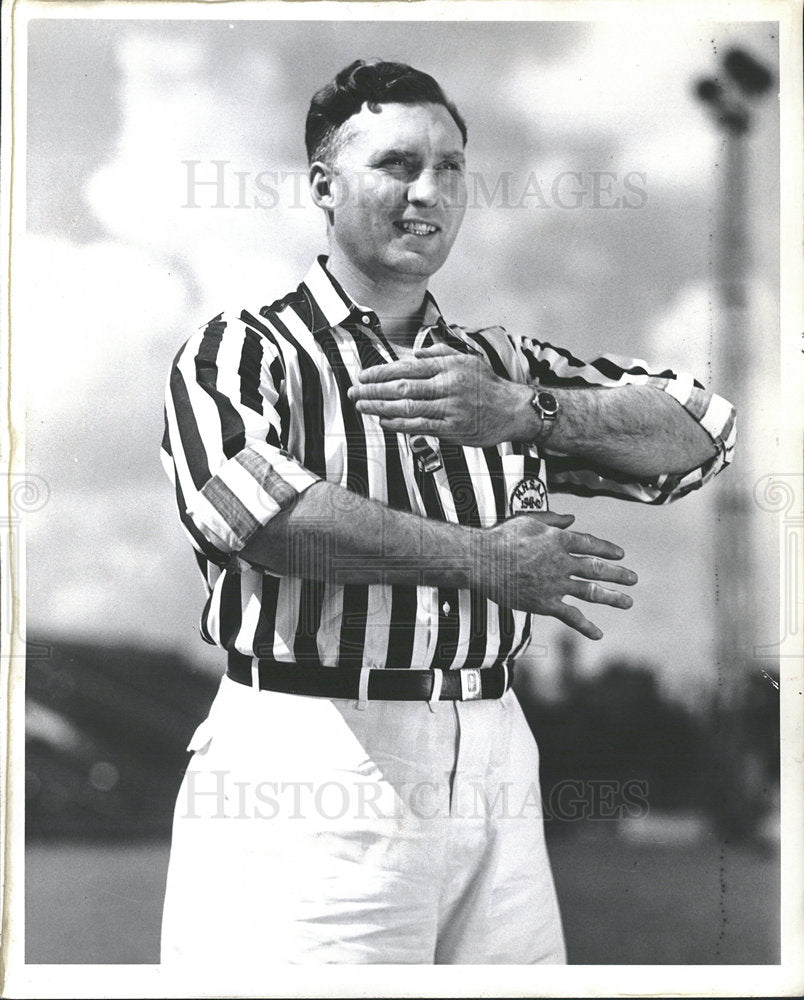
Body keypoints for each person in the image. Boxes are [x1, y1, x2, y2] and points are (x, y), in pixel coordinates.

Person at [159, 59, 735, 965]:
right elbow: (255, 516)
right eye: (396, 163)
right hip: (316, 752)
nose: (429, 190)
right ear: (323, 184)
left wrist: (525, 411)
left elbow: (701, 432)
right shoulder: (242, 348)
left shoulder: (495, 361)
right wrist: (483, 559)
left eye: (451, 166)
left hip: (497, 747)